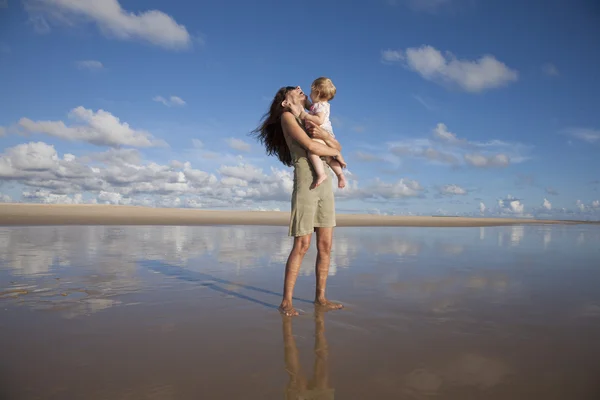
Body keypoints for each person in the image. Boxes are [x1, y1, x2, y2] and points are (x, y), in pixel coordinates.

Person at [252, 86, 344, 317]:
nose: (302, 89)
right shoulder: (287, 117)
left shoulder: (313, 117)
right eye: (296, 90)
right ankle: (286, 302)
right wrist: (329, 143)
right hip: (306, 180)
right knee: (302, 245)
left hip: (325, 180)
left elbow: (335, 146)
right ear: (285, 102)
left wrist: (328, 139)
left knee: (325, 245)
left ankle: (320, 298)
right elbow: (314, 147)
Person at [300, 77, 347, 190]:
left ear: (318, 93)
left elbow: (319, 120)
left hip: (320, 133)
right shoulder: (321, 105)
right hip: (327, 134)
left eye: (311, 92)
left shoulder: (319, 106)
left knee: (313, 152)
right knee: (329, 159)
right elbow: (309, 105)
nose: (310, 95)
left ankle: (321, 174)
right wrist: (303, 96)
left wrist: (305, 115)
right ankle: (340, 175)